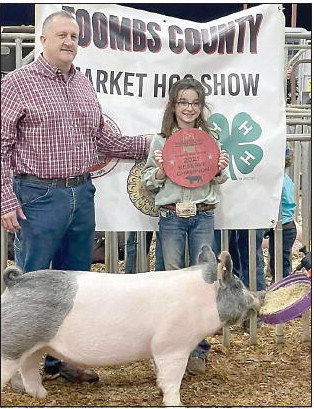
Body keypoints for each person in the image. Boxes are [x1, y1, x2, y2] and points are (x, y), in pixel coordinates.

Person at [1, 11, 151, 389]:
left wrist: (154, 146)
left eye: (74, 36)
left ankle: (61, 359)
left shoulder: (82, 83)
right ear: (43, 40)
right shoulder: (17, 84)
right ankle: (20, 366)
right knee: (32, 285)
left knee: (75, 283)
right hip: (37, 195)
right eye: (62, 35)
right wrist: (5, 200)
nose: (69, 41)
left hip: (81, 192)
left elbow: (102, 140)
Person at [141, 78, 229, 375]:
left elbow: (218, 179)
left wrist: (219, 169)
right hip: (171, 217)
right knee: (172, 283)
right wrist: (162, 169)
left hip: (203, 213)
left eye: (195, 103)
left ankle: (199, 349)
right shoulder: (161, 140)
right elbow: (147, 183)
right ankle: (168, 349)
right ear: (173, 105)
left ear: (201, 107)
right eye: (183, 102)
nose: (189, 108)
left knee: (204, 282)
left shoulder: (211, 138)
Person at [265, 145, 297, 282]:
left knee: (281, 261)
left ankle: (283, 283)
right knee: (277, 258)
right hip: (286, 224)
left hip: (283, 225)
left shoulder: (279, 182)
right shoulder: (286, 179)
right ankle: (278, 281)